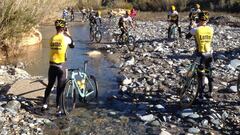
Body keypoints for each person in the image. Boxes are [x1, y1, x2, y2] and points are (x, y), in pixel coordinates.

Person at [42, 19, 74, 115]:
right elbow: (72, 45)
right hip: (61, 66)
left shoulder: (51, 38)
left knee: (50, 85)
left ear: (56, 28)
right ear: (64, 28)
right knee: (60, 88)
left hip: (52, 65)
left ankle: (44, 104)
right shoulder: (66, 38)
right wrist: (68, 34)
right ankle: (58, 109)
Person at [186, 11, 214, 100]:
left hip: (201, 55)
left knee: (200, 75)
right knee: (209, 73)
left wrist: (194, 26)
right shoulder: (211, 29)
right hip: (209, 54)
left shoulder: (196, 29)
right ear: (207, 20)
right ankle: (210, 92)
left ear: (199, 19)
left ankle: (201, 96)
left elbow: (187, 36)